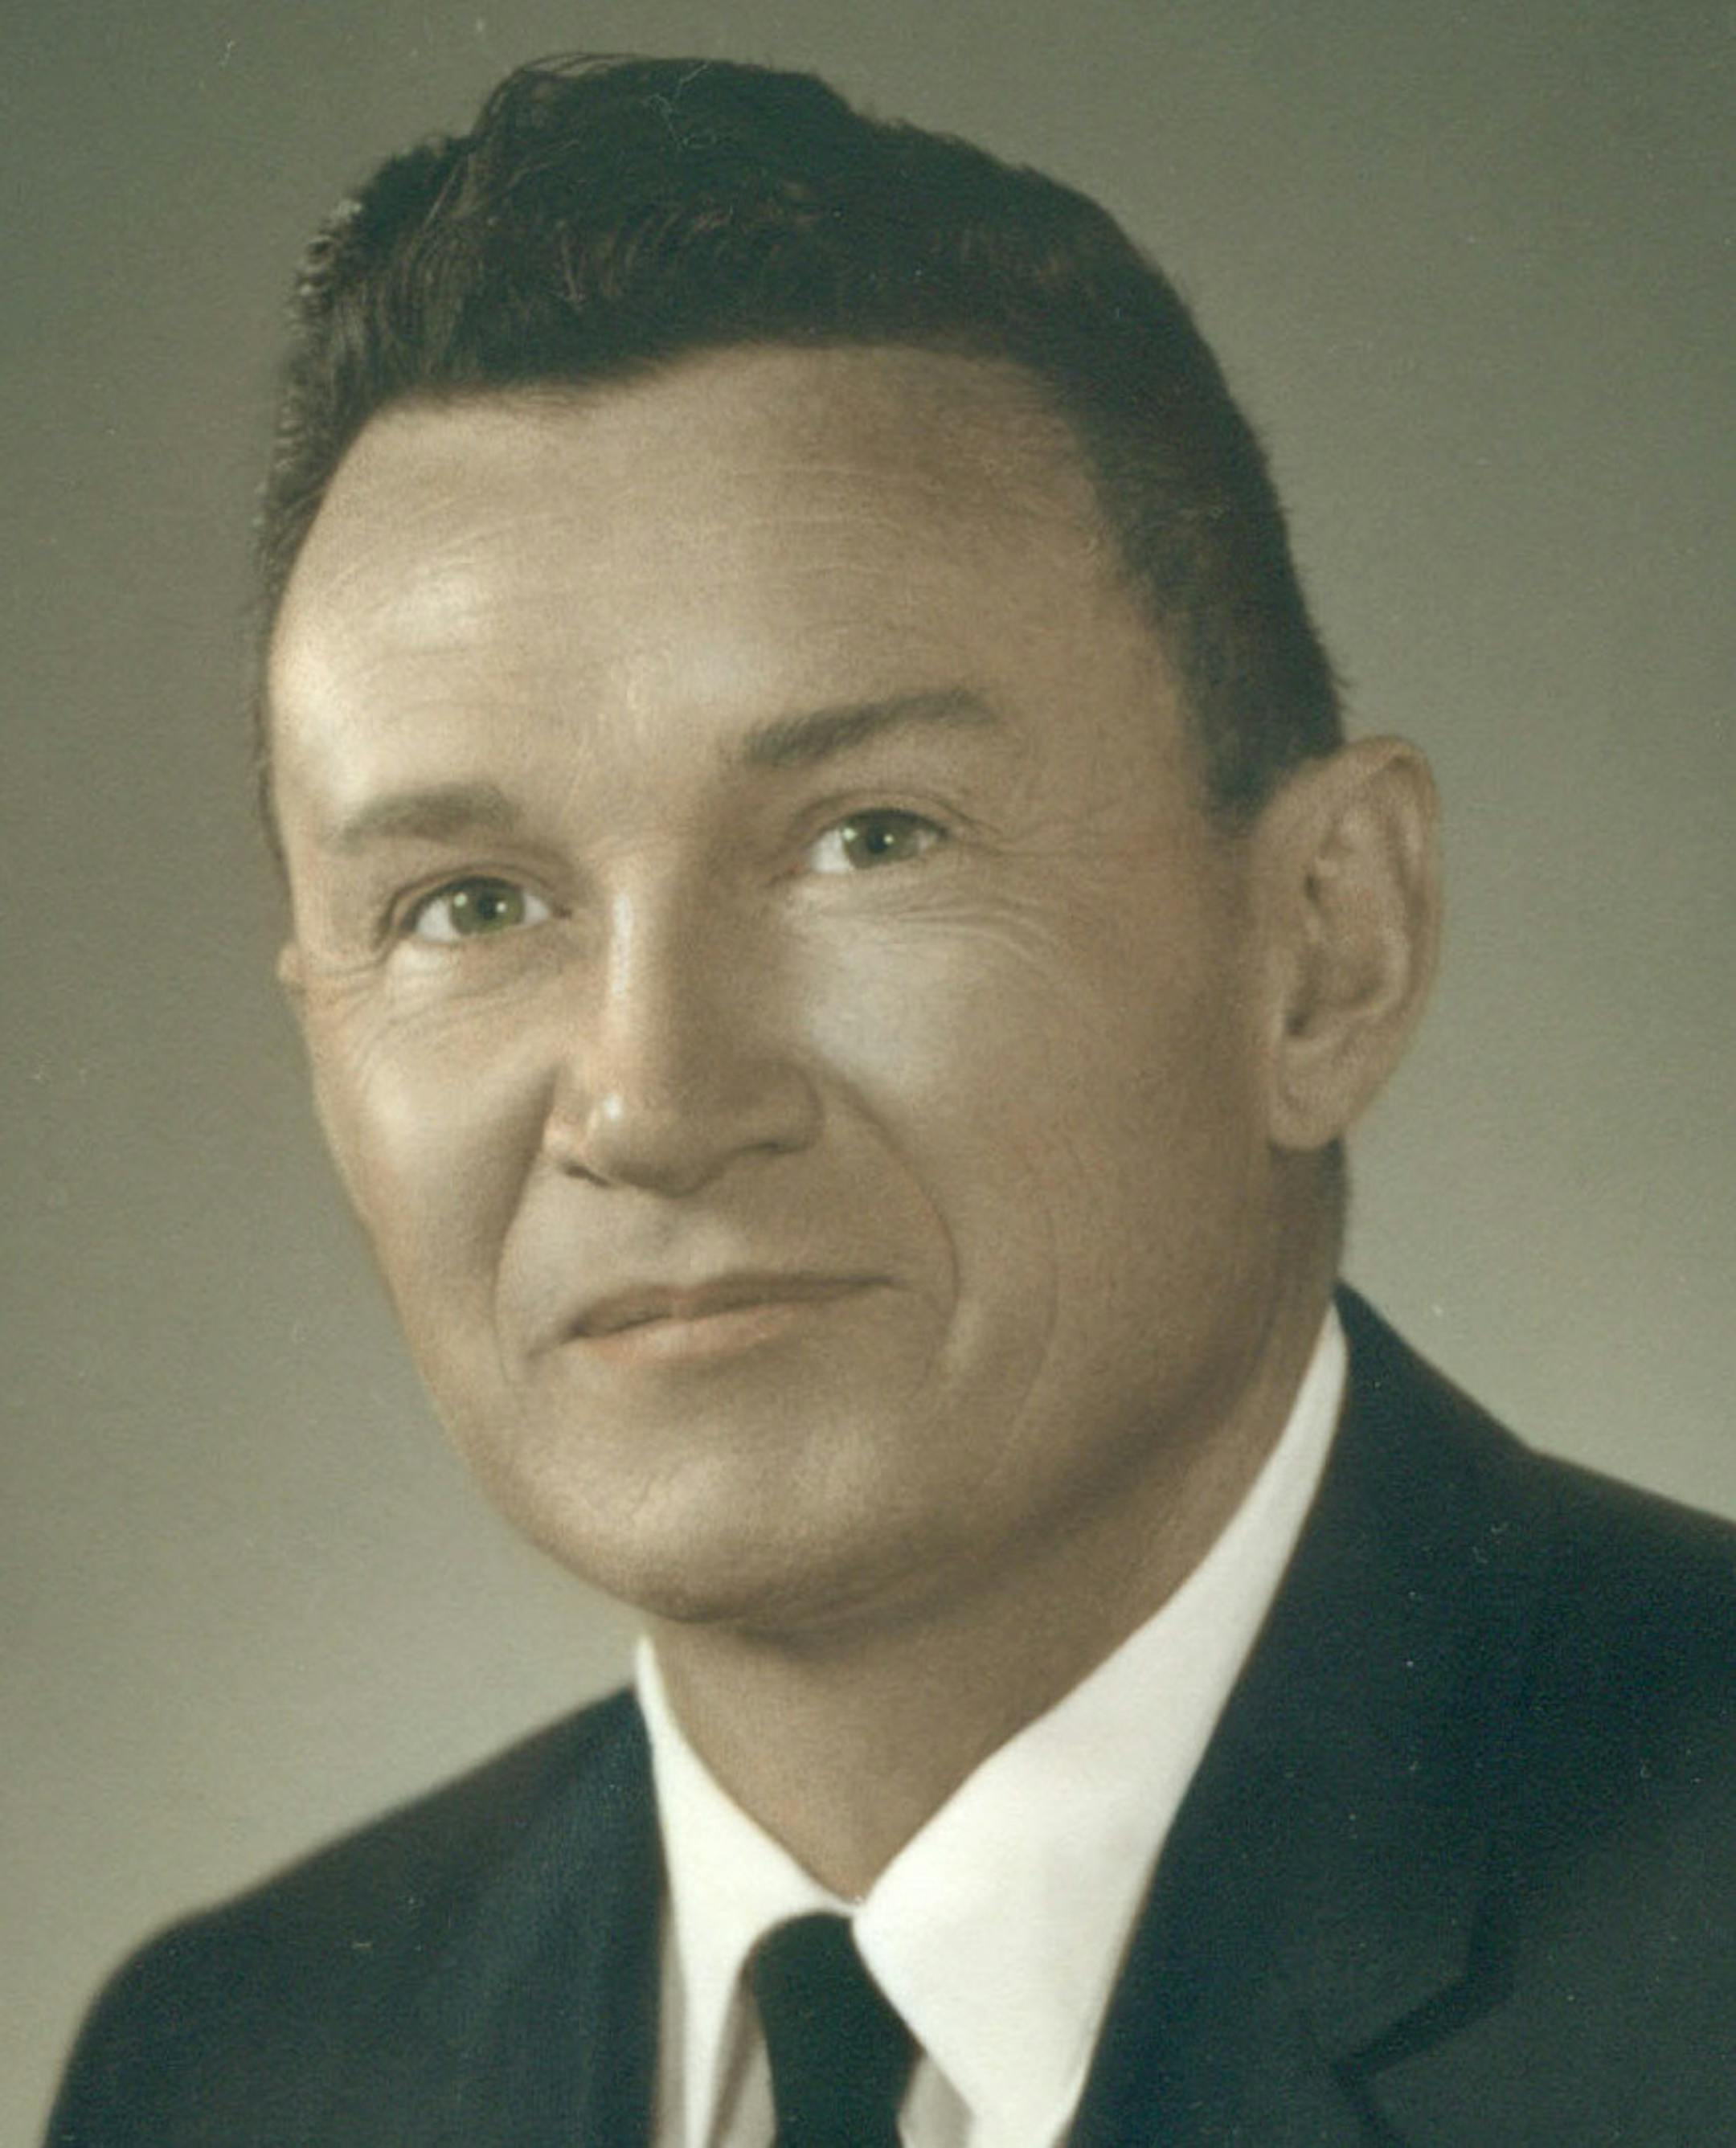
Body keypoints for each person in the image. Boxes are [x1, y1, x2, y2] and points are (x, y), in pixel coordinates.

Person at [48, 54, 1734, 2148]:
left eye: (872, 838)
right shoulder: (228, 2075)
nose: (653, 1098)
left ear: (1328, 947)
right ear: (322, 1040)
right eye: (469, 903)